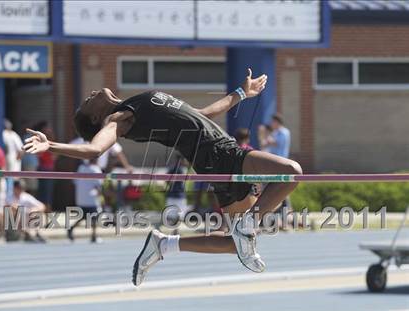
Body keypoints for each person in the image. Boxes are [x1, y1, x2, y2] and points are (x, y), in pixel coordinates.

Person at [22, 68, 302, 286]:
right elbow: (95, 149)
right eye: (86, 102)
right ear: (96, 118)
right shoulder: (118, 118)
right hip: (220, 153)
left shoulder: (136, 103)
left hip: (214, 155)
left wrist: (241, 93)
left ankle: (164, 244)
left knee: (233, 242)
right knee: (291, 172)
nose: (91, 93)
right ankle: (249, 225)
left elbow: (202, 114)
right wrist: (52, 145)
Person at [68, 158, 103, 243]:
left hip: (81, 198)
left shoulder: (81, 168)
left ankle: (71, 229)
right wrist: (100, 198)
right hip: (91, 199)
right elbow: (98, 186)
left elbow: (75, 182)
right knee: (94, 218)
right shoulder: (96, 169)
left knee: (83, 217)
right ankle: (93, 236)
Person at [3, 119, 23, 197]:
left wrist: (15, 161)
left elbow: (20, 151)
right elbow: (21, 151)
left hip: (9, 162)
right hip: (9, 163)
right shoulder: (12, 134)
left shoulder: (10, 134)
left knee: (9, 183)